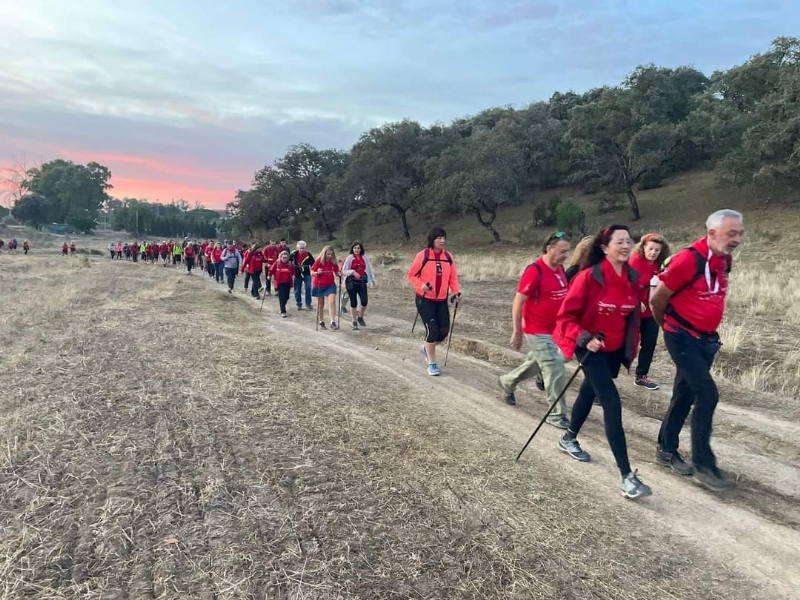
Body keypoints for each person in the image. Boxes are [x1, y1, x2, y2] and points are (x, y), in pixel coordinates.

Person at [553, 225, 652, 500]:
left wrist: (631, 345)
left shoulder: (632, 278)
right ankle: (627, 478)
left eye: (628, 240)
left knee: (590, 390)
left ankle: (568, 437)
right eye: (619, 241)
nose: (625, 245)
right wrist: (584, 337)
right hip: (589, 346)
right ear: (604, 247)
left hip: (613, 349)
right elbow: (565, 317)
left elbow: (631, 315)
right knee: (610, 400)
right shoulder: (587, 278)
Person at [650, 210, 744, 491]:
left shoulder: (724, 259)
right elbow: (657, 300)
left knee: (685, 393)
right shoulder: (688, 260)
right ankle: (704, 465)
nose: (737, 239)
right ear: (712, 233)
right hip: (682, 337)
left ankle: (665, 450)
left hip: (706, 340)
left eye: (740, 233)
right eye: (732, 234)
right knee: (708, 394)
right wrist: (669, 328)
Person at [499, 232, 571, 429]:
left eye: (568, 251)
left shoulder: (560, 269)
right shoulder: (535, 270)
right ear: (549, 248)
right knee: (554, 366)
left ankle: (508, 381)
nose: (566, 255)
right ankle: (556, 415)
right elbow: (518, 302)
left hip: (555, 329)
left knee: (540, 362)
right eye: (563, 251)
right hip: (535, 329)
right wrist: (517, 332)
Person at [407, 226, 462, 377]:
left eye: (444, 238)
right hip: (425, 299)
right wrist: (421, 286)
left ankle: (426, 347)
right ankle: (432, 364)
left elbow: (453, 278)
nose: (442, 241)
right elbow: (411, 275)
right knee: (432, 330)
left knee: (443, 331)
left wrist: (456, 292)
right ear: (432, 239)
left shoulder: (448, 257)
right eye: (439, 238)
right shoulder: (423, 255)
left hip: (441, 300)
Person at [629, 233, 671, 390]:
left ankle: (641, 376)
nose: (653, 253)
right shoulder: (634, 263)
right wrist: (635, 301)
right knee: (627, 344)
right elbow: (624, 285)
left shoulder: (660, 265)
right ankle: (604, 377)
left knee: (649, 343)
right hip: (632, 311)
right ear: (643, 248)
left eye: (657, 250)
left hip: (651, 311)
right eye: (651, 248)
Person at [341, 241, 376, 330]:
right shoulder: (349, 258)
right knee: (354, 302)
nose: (357, 250)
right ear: (352, 249)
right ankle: (354, 321)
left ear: (361, 249)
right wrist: (353, 272)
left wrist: (372, 279)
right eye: (355, 248)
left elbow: (369, 269)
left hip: (362, 281)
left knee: (364, 301)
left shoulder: (365, 257)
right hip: (351, 282)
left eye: (358, 248)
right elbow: (344, 271)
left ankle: (360, 316)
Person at [312, 246, 341, 330]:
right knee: (321, 304)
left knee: (332, 301)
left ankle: (332, 322)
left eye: (331, 254)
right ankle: (321, 321)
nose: (330, 256)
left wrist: (339, 274)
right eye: (328, 254)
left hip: (330, 285)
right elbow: (311, 272)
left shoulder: (333, 262)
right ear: (324, 253)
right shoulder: (318, 261)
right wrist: (317, 272)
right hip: (319, 284)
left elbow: (336, 272)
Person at [270, 250, 295, 317]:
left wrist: (293, 275)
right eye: (283, 257)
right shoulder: (277, 263)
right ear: (280, 257)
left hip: (287, 283)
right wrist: (269, 276)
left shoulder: (290, 264)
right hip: (279, 283)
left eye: (286, 257)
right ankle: (283, 311)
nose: (284, 259)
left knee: (287, 296)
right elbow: (271, 270)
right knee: (282, 297)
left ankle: (282, 307)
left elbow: (293, 271)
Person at [291, 241, 315, 310]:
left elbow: (313, 264)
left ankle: (308, 303)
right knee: (297, 289)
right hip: (297, 274)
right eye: (300, 248)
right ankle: (299, 304)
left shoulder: (308, 254)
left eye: (303, 248)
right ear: (297, 248)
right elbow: (288, 262)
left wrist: (315, 271)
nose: (302, 250)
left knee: (308, 287)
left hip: (306, 274)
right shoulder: (293, 254)